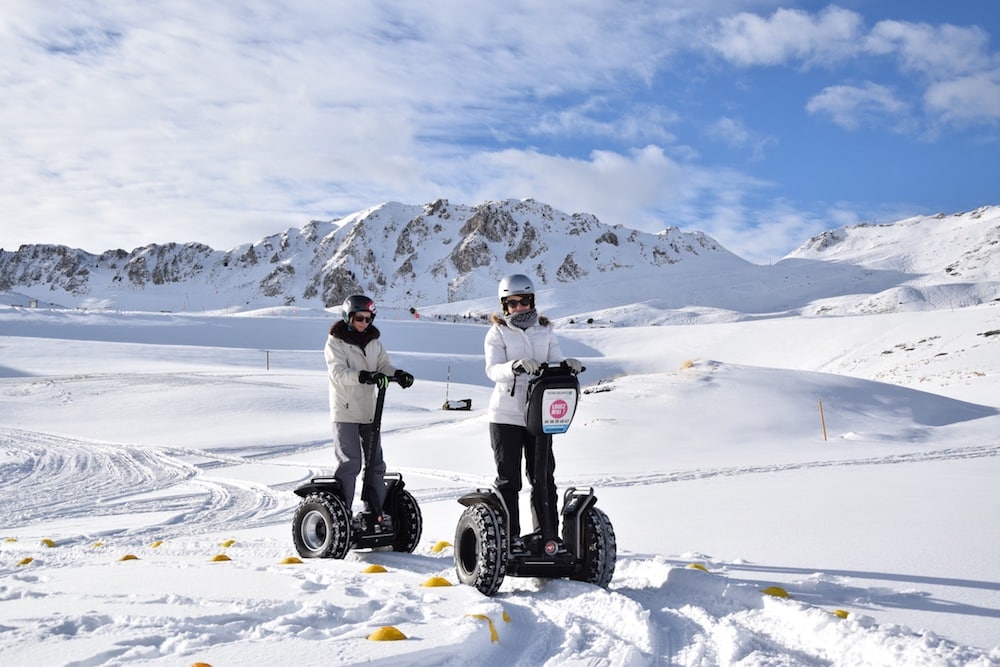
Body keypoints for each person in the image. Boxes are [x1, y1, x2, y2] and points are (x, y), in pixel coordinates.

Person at [484, 274, 583, 553]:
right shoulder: (498, 332)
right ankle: (509, 539)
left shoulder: (545, 330)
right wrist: (514, 366)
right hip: (506, 415)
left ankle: (547, 537)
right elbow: (492, 369)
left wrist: (567, 365)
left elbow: (554, 360)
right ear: (505, 306)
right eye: (512, 303)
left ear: (532, 301)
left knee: (542, 476)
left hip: (539, 415)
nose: (519, 307)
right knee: (509, 480)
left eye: (524, 301)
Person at [325, 294, 415, 531]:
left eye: (368, 318)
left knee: (376, 464)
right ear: (348, 317)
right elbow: (338, 373)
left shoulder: (374, 343)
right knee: (350, 463)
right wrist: (363, 376)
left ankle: (374, 511)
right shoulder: (336, 342)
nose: (364, 323)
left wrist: (398, 374)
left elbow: (383, 365)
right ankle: (342, 515)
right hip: (345, 412)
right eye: (359, 318)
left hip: (369, 413)